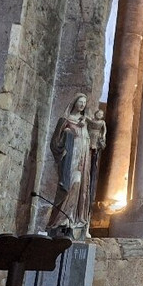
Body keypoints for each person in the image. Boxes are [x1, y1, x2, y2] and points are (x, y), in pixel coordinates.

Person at [47, 93, 93, 237]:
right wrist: (67, 135)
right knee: (71, 184)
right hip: (70, 160)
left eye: (84, 103)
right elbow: (55, 143)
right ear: (74, 102)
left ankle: (72, 219)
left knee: (80, 186)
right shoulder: (65, 120)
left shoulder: (84, 122)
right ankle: (61, 219)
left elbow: (88, 140)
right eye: (80, 101)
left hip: (82, 160)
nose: (82, 105)